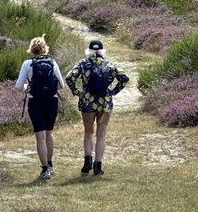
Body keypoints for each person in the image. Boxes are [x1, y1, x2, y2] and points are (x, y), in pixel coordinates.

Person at [65, 39, 129, 176]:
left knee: (88, 132)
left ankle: (87, 161)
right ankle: (98, 166)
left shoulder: (83, 64)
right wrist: (113, 92)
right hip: (104, 103)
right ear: (102, 51)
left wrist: (77, 92)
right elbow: (125, 78)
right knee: (101, 135)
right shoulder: (109, 64)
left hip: (87, 103)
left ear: (89, 51)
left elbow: (69, 77)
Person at [15, 36, 66, 180]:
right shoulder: (52, 62)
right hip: (52, 101)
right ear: (45, 49)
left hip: (35, 102)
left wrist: (28, 87)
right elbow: (61, 85)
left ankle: (45, 169)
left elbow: (18, 86)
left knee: (40, 137)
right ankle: (50, 164)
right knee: (49, 134)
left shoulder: (27, 64)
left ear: (32, 50)